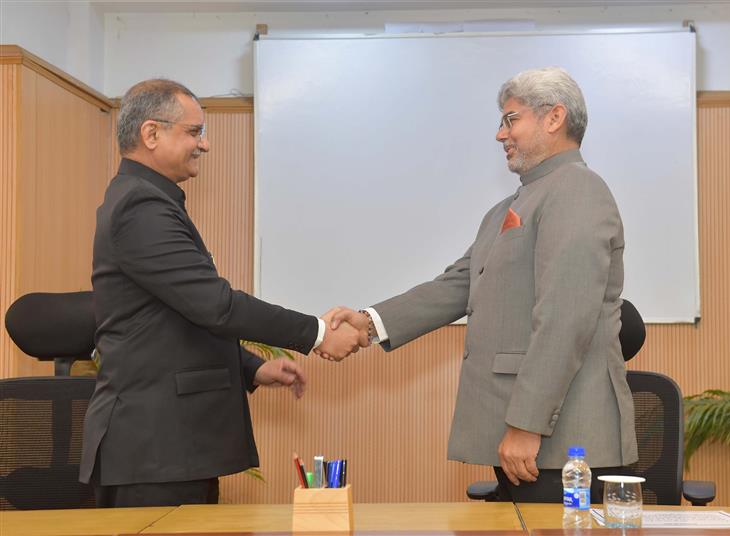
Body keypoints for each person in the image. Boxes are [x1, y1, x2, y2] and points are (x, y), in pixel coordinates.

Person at [325, 67, 638, 502]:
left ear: (554, 118)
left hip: (559, 443)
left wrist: (526, 424)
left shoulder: (577, 189)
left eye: (511, 119)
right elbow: (457, 285)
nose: (500, 134)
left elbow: (566, 319)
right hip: (529, 438)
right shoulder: (510, 206)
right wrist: (367, 323)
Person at [80, 79, 366, 508]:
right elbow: (215, 305)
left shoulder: (147, 199)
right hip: (155, 450)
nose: (205, 145)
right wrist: (319, 333)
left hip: (168, 449)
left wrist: (249, 367)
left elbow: (174, 317)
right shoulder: (140, 207)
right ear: (151, 134)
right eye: (194, 132)